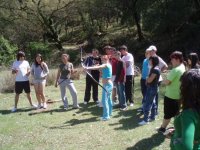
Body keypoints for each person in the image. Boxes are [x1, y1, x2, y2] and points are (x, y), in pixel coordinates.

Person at [167, 69, 200, 150]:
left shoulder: (188, 114)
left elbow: (186, 148)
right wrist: (177, 132)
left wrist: (175, 139)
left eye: (181, 84)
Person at [157, 51, 185, 133]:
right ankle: (178, 128)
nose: (171, 61)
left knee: (168, 114)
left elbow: (166, 82)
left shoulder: (175, 70)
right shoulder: (183, 67)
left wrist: (164, 75)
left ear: (177, 59)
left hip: (171, 96)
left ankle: (162, 128)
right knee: (176, 113)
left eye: (172, 59)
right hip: (178, 95)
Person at [84, 55, 113, 121]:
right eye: (102, 59)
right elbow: (100, 68)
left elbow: (99, 66)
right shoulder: (108, 65)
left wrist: (87, 68)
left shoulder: (106, 65)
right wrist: (95, 67)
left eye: (104, 59)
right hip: (108, 84)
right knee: (108, 100)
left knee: (104, 100)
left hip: (107, 85)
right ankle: (110, 113)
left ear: (107, 59)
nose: (102, 61)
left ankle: (106, 116)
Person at [138, 56, 160, 125]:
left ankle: (145, 120)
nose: (149, 61)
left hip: (152, 88)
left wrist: (147, 78)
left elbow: (150, 80)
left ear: (153, 61)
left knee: (147, 103)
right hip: (152, 88)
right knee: (153, 103)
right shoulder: (153, 68)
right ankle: (153, 117)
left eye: (150, 60)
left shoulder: (155, 69)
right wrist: (148, 79)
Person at [146, 45, 168, 115]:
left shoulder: (157, 58)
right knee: (152, 96)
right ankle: (153, 111)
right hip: (151, 78)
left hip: (156, 79)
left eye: (150, 51)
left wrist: (158, 72)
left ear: (154, 51)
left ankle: (155, 111)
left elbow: (166, 66)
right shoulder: (150, 58)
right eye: (149, 51)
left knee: (154, 95)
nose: (149, 52)